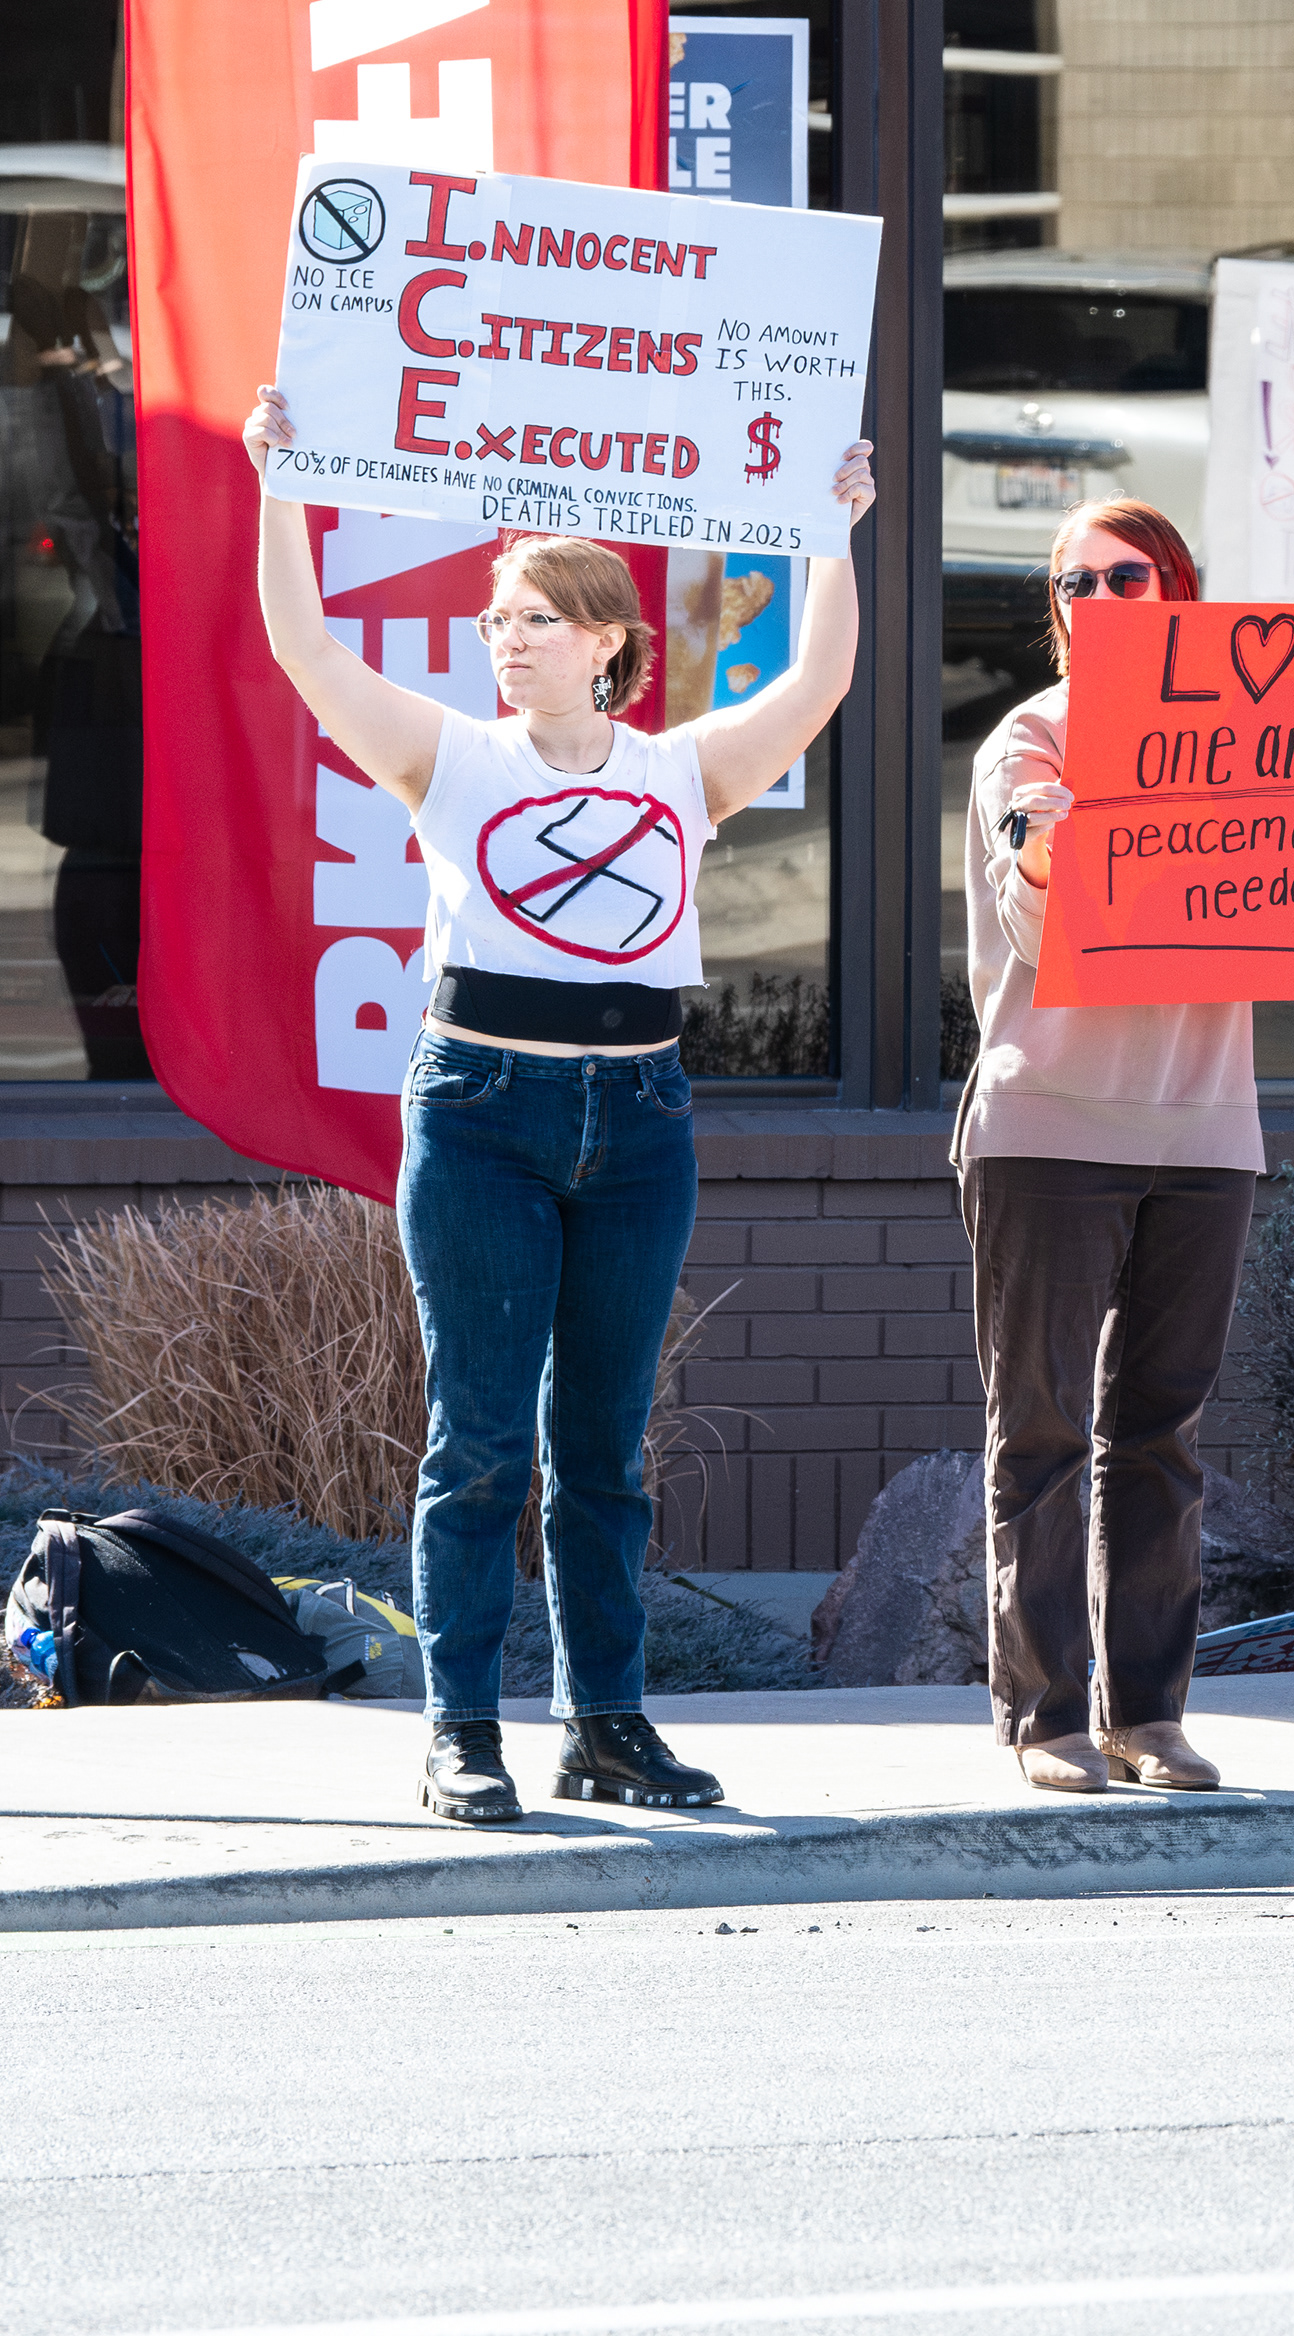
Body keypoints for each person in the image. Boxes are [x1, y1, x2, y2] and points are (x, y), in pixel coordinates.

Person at [241, 386, 875, 1824]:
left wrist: (830, 530)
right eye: (494, 622)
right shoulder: (450, 757)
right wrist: (283, 481)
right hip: (479, 1109)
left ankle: (607, 1724)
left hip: (640, 1122)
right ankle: (463, 1728)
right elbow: (304, 648)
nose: (505, 640)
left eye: (535, 617)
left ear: (606, 641)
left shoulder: (680, 769)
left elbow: (819, 682)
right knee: (477, 1437)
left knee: (603, 1444)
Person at [958, 498, 1260, 1793]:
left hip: (1205, 1126)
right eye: (1071, 581)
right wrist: (1044, 852)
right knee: (1039, 1432)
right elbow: (1038, 932)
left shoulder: (1250, 739)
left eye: (1122, 577)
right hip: (1048, 1126)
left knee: (1164, 1435)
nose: (1093, 598)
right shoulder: (1028, 740)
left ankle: (1151, 1711)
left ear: (1175, 591)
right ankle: (1044, 1718)